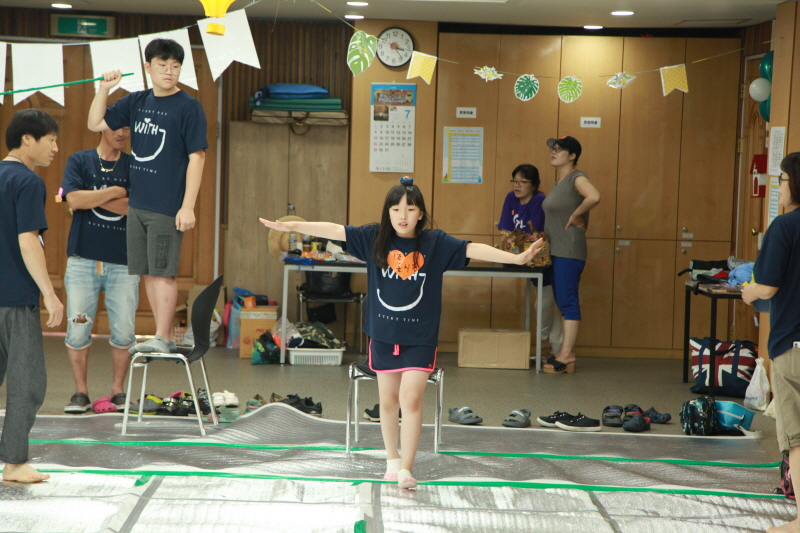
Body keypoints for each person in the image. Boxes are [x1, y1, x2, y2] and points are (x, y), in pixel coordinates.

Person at [260, 177, 542, 489]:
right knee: (387, 401)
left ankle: (407, 468)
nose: (402, 215)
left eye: (410, 208)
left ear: (420, 213)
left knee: (411, 399)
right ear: (388, 212)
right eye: (395, 209)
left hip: (420, 337)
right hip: (383, 334)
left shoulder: (434, 243)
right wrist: (294, 227)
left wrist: (516, 258)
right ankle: (392, 461)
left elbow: (472, 248)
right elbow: (335, 230)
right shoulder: (374, 238)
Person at [87, 38, 208, 355]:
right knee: (148, 272)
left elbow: (198, 157)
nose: (169, 71)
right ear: (148, 67)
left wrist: (187, 206)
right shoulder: (136, 101)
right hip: (137, 204)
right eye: (162, 65)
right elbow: (95, 123)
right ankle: (160, 335)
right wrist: (104, 89)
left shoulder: (189, 106)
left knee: (163, 271)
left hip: (167, 205)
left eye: (175, 66)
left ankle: (163, 337)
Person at [0, 108, 64, 482]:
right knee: (28, 383)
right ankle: (14, 462)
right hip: (14, 297)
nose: (55, 147)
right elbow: (29, 242)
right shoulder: (27, 182)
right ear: (28, 139)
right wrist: (50, 295)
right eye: (51, 139)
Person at [61, 126, 140, 414]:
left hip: (124, 261)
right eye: (116, 127)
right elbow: (74, 200)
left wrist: (93, 196)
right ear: (102, 128)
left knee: (124, 330)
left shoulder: (133, 165)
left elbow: (134, 207)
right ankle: (80, 392)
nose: (122, 133)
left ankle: (118, 390)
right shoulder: (79, 160)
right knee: (78, 328)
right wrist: (115, 192)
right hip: (82, 259)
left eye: (127, 128)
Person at [742, 152, 800, 533]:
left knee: (796, 438)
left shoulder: (785, 226)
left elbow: (766, 286)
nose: (778, 187)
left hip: (792, 346)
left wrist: (748, 291)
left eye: (781, 180)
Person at [541, 136, 600, 374]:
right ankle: (565, 352)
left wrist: (576, 215)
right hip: (557, 250)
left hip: (568, 250)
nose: (553, 152)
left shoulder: (577, 177)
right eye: (552, 149)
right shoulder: (559, 182)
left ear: (572, 156)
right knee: (563, 301)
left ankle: (567, 355)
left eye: (559, 150)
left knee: (568, 302)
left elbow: (594, 196)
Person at [498, 163, 562, 357]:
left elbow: (535, 235)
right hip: (522, 257)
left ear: (533, 185)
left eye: (522, 182)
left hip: (541, 260)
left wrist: (517, 241)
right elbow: (506, 231)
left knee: (544, 303)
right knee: (544, 303)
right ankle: (555, 348)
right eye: (514, 181)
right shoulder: (511, 198)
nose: (517, 186)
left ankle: (546, 344)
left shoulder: (539, 200)